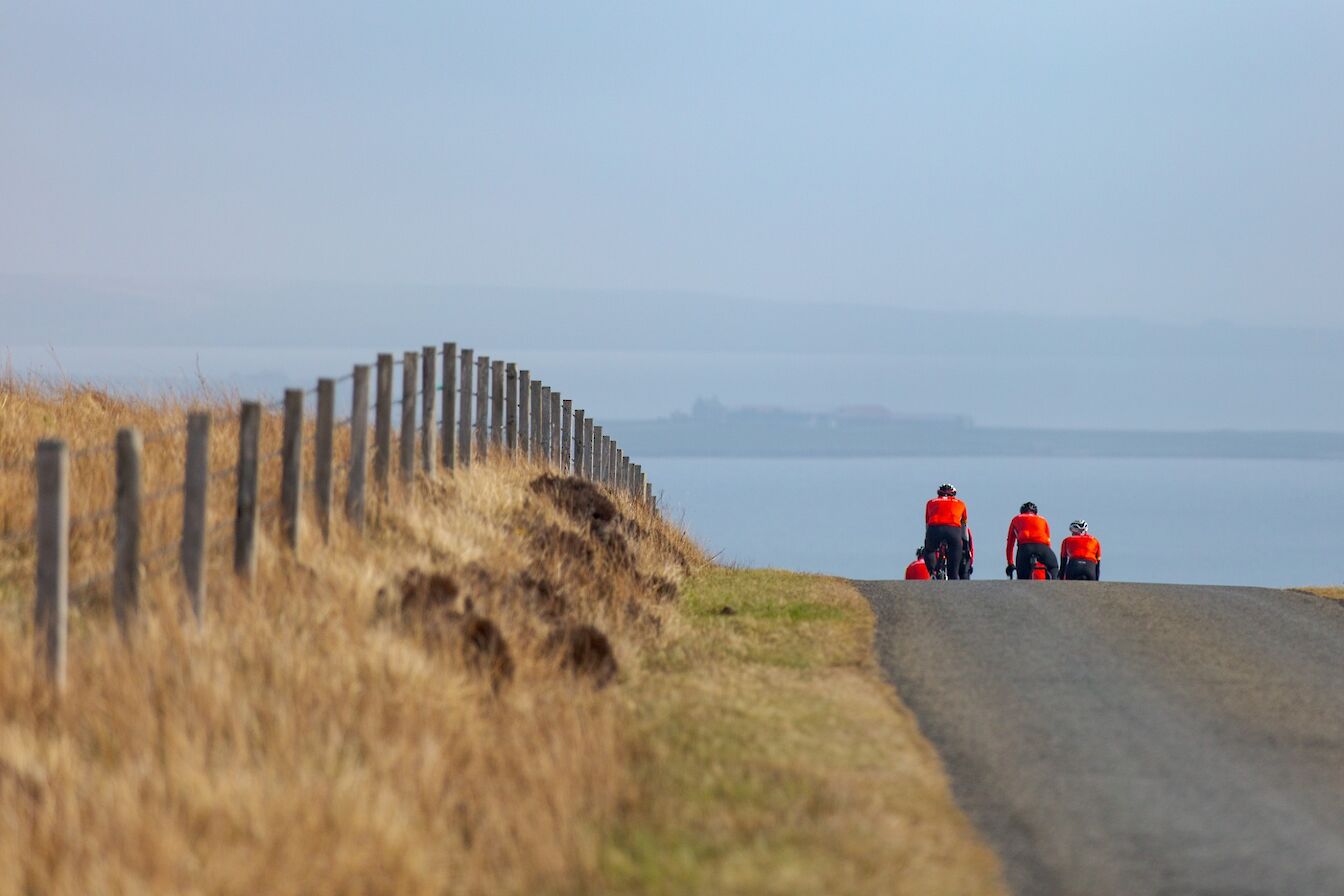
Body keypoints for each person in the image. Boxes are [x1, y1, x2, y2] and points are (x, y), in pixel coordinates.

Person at [925, 483, 969, 580]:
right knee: (953, 571)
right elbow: (964, 527)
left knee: (929, 550)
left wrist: (928, 540)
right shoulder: (961, 503)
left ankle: (932, 572)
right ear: (954, 494)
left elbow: (927, 525)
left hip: (935, 529)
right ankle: (953, 577)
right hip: (953, 530)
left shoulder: (930, 502)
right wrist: (965, 544)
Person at [1006, 501, 1059, 580]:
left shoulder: (1016, 519)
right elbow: (1048, 541)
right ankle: (1055, 583)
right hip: (1042, 547)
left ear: (1022, 512)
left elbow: (1010, 543)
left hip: (1025, 548)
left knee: (1022, 578)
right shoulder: (1043, 520)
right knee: (1053, 566)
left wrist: (1010, 563)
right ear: (1035, 513)